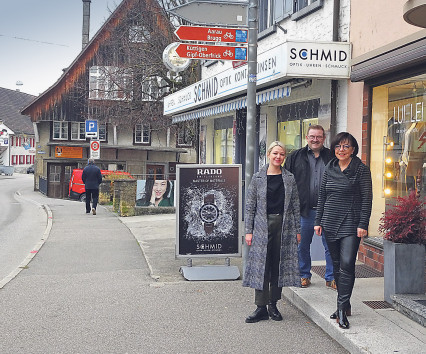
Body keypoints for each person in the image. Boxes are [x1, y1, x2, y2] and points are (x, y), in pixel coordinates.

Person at [314, 132, 372, 329]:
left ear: (353, 149)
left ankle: (340, 310)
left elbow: (367, 199)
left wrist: (363, 224)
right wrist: (318, 221)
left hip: (351, 222)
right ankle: (344, 304)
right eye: (338, 146)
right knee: (337, 264)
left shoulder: (361, 170)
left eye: (346, 146)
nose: (341, 150)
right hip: (329, 221)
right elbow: (322, 197)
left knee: (347, 264)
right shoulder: (328, 169)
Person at [243, 141, 301, 323]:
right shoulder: (258, 178)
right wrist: (248, 231)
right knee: (262, 267)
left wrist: (298, 230)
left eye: (282, 154)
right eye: (275, 153)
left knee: (278, 265)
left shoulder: (289, 178)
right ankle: (260, 307)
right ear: (268, 155)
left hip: (284, 226)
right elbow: (250, 206)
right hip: (262, 226)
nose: (278, 157)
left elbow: (295, 205)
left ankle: (273, 305)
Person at [284, 125, 335, 289]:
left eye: (319, 137)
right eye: (312, 136)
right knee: (302, 245)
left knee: (331, 246)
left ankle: (331, 277)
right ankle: (303, 275)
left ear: (324, 138)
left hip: (328, 210)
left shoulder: (332, 157)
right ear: (307, 138)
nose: (315, 140)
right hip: (303, 210)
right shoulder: (295, 157)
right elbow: (286, 182)